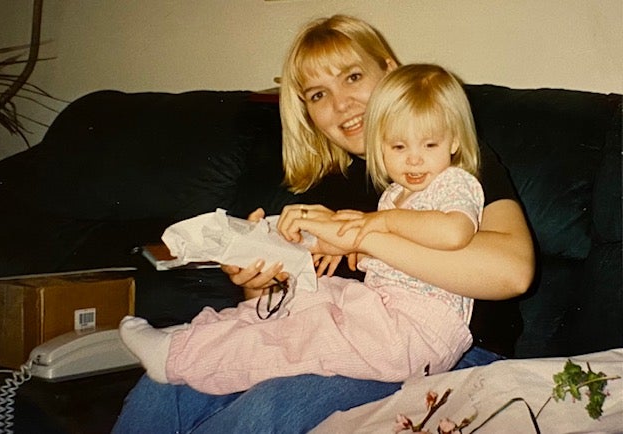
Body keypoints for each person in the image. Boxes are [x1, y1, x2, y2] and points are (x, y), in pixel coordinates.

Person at [113, 15, 534, 433]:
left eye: (352, 77)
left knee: (271, 407)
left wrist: (364, 234)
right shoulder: (323, 192)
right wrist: (260, 280)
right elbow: (299, 312)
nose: (341, 104)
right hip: (345, 346)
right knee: (165, 386)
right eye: (318, 94)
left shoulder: (448, 160)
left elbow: (511, 273)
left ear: (389, 70)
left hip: (450, 356)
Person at [119, 63, 485, 394]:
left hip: (417, 333)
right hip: (385, 312)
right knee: (305, 297)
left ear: (453, 141)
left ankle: (178, 358)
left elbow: (454, 233)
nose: (414, 159)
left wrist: (377, 226)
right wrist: (349, 247)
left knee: (301, 338)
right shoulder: (394, 193)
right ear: (380, 146)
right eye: (398, 146)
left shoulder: (454, 182)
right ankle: (191, 338)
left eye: (430, 144)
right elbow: (394, 249)